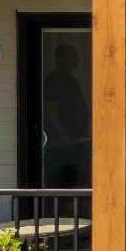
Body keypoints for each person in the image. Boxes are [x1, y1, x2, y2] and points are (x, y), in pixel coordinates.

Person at [42, 42, 90, 187]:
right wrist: (61, 133)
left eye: (75, 55)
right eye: (70, 54)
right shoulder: (56, 79)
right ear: (59, 58)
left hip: (74, 138)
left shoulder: (70, 79)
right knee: (63, 176)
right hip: (62, 141)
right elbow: (50, 107)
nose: (75, 58)